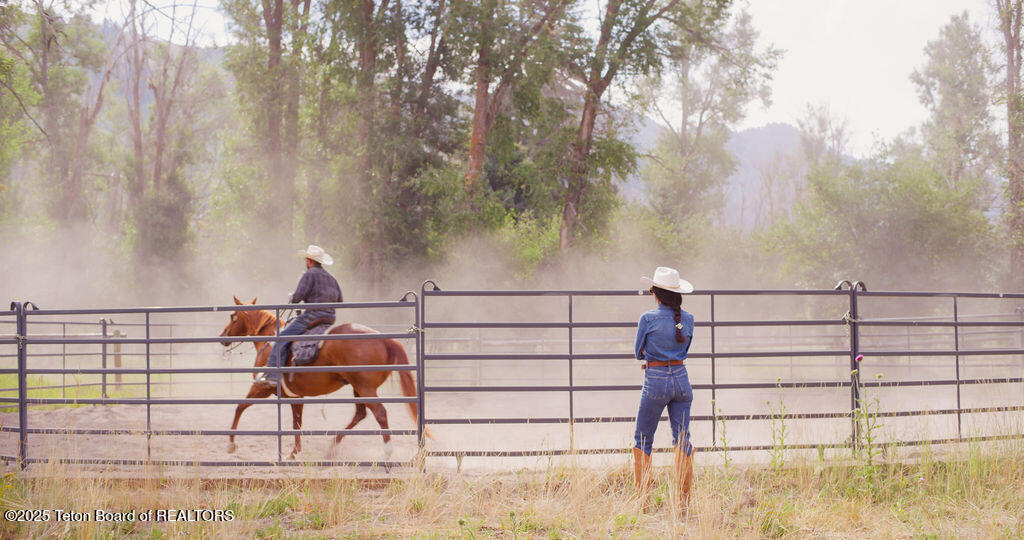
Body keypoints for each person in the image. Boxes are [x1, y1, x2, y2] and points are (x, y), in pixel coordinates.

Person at [632, 266, 695, 509]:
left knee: (643, 437)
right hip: (681, 378)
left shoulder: (647, 319)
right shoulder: (688, 319)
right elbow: (685, 350)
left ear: (656, 293)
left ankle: (642, 501)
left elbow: (638, 352)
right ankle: (683, 502)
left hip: (656, 378)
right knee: (682, 438)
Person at [258, 245, 343, 388]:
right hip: (329, 318)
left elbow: (298, 297)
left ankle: (272, 375)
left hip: (313, 316)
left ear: (309, 261)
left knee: (282, 337)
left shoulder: (309, 274)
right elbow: (340, 300)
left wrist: (292, 296)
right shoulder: (332, 278)